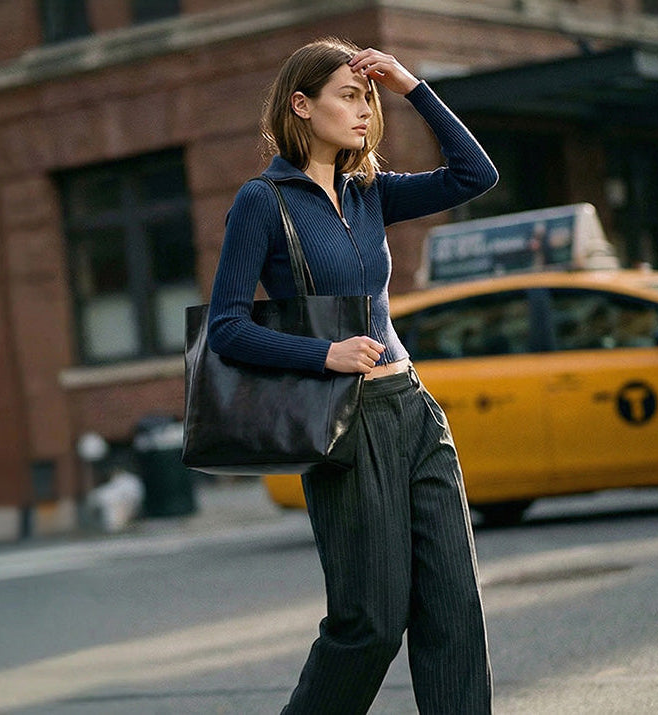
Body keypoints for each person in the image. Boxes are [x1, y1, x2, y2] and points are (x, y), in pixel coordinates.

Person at [208, 37, 498, 714]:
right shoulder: (263, 200)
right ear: (302, 105)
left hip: (413, 409)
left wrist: (409, 85)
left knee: (454, 607)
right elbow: (225, 325)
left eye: (368, 97)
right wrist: (324, 354)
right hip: (343, 421)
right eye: (350, 94)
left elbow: (474, 175)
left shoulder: (369, 193)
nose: (365, 108)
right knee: (369, 622)